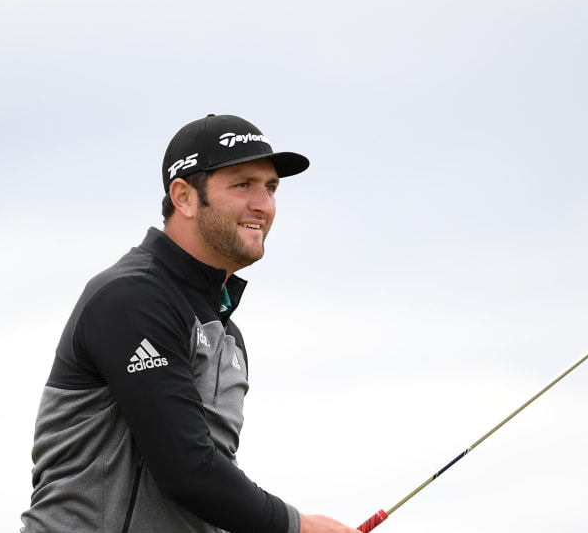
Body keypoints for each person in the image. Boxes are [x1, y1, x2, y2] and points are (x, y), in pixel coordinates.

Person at [20, 114, 359, 533]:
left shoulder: (227, 336)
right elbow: (187, 470)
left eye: (270, 188)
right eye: (242, 184)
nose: (263, 204)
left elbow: (207, 500)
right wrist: (299, 527)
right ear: (183, 197)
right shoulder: (133, 298)